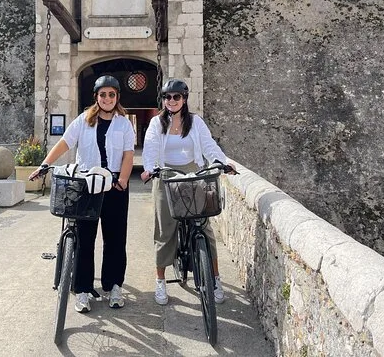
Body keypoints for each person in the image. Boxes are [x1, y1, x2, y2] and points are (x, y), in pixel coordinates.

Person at [29, 75, 135, 313]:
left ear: (117, 97)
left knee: (115, 238)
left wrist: (123, 179)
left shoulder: (124, 124)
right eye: (102, 94)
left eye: (111, 94)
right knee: (84, 238)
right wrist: (45, 164)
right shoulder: (83, 120)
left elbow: (128, 154)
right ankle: (83, 289)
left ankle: (114, 286)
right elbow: (65, 143)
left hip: (114, 185)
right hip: (86, 184)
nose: (107, 98)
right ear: (96, 97)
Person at [141, 78, 237, 306]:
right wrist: (150, 168)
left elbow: (208, 145)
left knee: (204, 227)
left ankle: (215, 279)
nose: (171, 101)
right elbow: (150, 146)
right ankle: (160, 280)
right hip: (165, 174)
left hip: (193, 173)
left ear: (184, 99)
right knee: (165, 230)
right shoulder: (157, 123)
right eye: (167, 97)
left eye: (176, 96)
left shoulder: (195, 122)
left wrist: (222, 162)